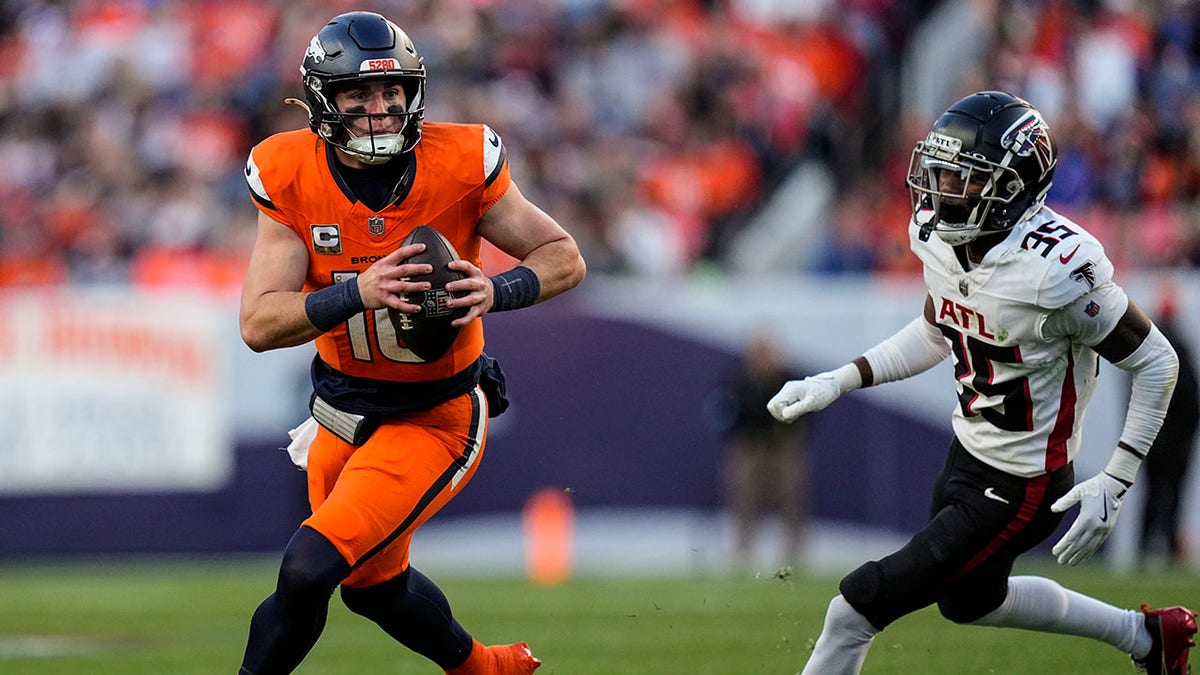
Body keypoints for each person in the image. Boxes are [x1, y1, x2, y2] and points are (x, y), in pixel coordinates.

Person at [767, 91, 1197, 674]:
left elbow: (1157, 362)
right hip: (965, 457)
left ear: (1016, 186)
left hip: (1024, 486)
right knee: (973, 602)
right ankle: (1148, 636)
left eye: (964, 178)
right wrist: (839, 380)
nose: (942, 190)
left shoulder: (1056, 270)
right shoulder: (941, 236)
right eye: (940, 172)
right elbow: (936, 330)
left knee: (856, 606)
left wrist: (1118, 477)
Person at [237, 12, 585, 675]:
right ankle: (488, 668)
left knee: (307, 566)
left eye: (391, 90)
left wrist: (499, 289)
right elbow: (258, 324)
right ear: (322, 100)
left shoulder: (459, 162)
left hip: (433, 415)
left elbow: (563, 257)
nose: (380, 107)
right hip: (338, 413)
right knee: (371, 589)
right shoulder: (285, 170)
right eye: (359, 95)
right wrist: (357, 292)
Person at [713, 332, 807, 568]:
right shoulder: (740, 383)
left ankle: (794, 553)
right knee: (744, 496)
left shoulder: (789, 380)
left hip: (782, 446)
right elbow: (724, 412)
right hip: (750, 447)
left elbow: (809, 411)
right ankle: (743, 552)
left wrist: (794, 431)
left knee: (791, 496)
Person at [1139, 290, 1200, 569]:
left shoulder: (1145, 346)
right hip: (1176, 439)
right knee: (1172, 494)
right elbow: (1190, 397)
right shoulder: (1179, 346)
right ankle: (1171, 547)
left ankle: (1145, 547)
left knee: (1151, 494)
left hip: (1149, 436)